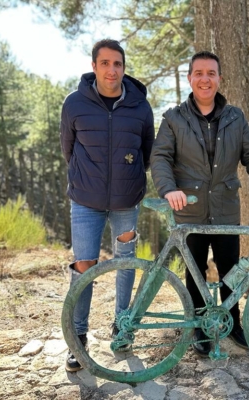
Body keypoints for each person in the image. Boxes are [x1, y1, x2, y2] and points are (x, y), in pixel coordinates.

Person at [150, 51, 249, 356]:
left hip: (225, 209)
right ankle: (198, 326)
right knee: (194, 271)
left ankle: (233, 324)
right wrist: (168, 189)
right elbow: (160, 157)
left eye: (211, 73)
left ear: (219, 79)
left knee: (230, 271)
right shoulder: (173, 117)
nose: (205, 79)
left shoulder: (235, 117)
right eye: (199, 73)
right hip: (190, 210)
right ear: (189, 78)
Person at [60, 39, 154, 372]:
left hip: (127, 201)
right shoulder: (74, 103)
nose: (111, 70)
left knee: (125, 262)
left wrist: (125, 181)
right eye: (105, 63)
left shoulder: (140, 105)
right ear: (94, 66)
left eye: (117, 64)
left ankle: (122, 326)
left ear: (124, 67)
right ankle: (78, 339)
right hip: (85, 202)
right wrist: (90, 179)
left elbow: (146, 150)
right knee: (84, 266)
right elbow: (68, 150)